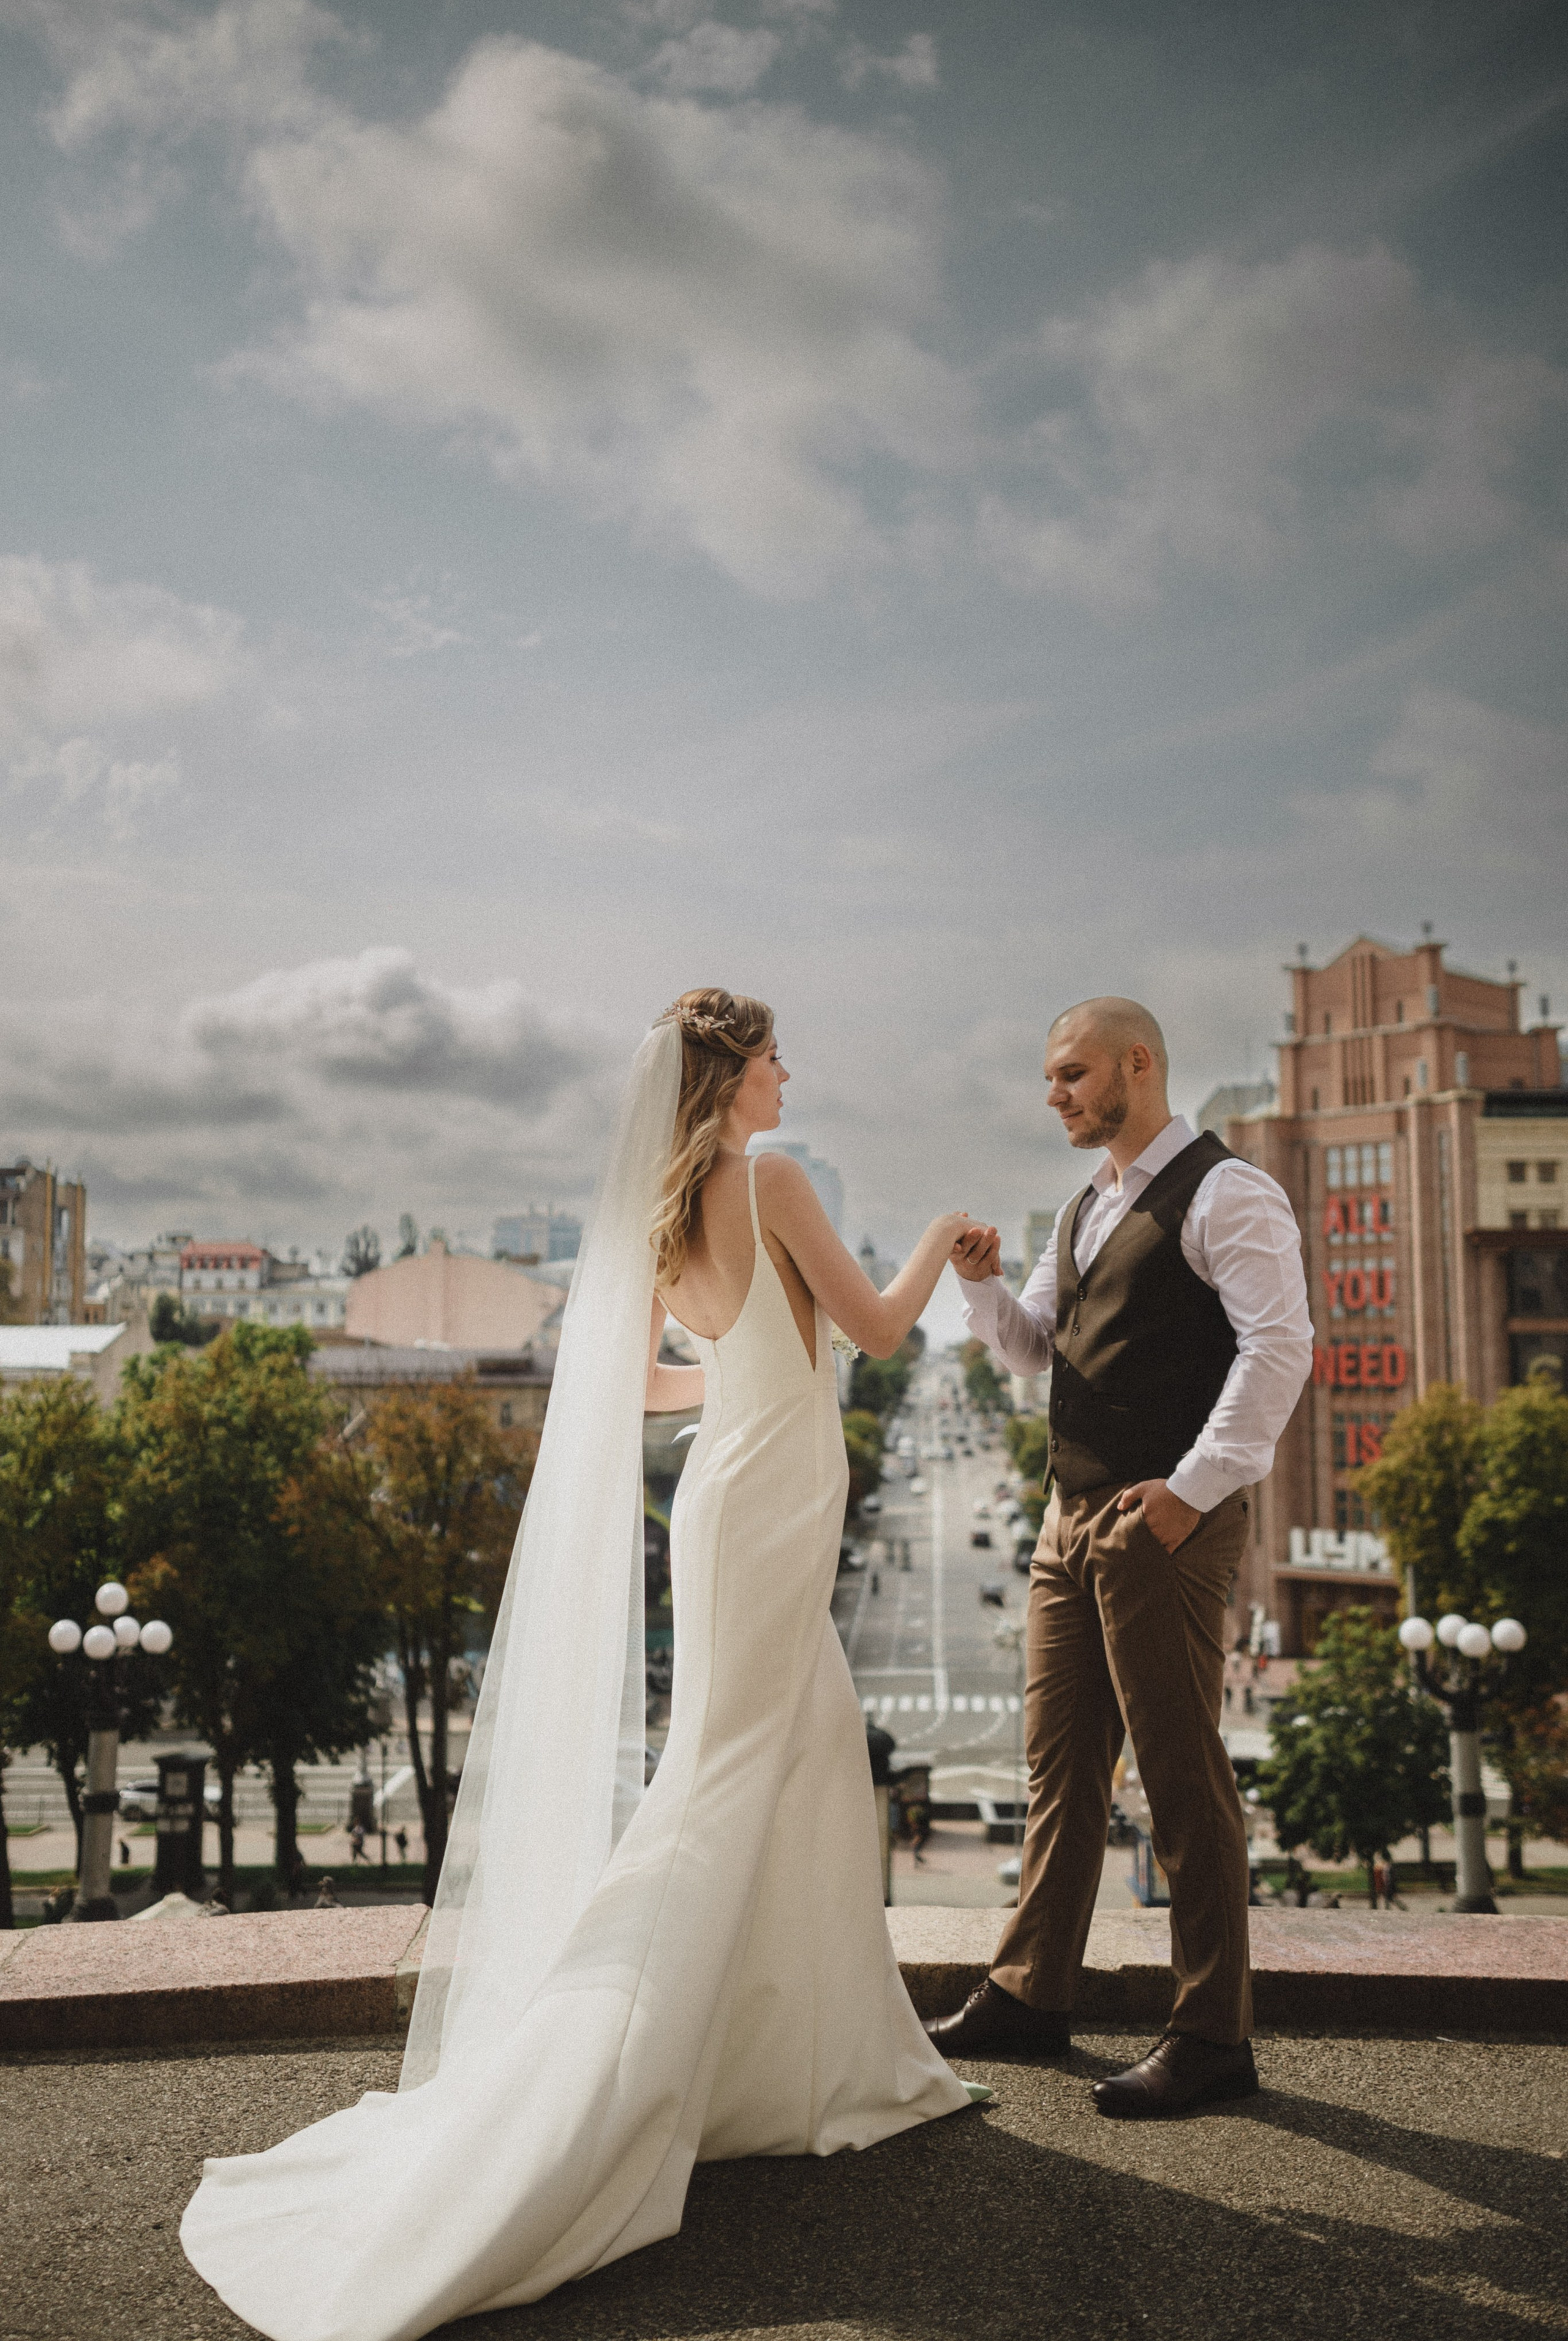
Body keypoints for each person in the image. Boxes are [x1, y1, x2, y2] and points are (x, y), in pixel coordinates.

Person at [182, 989, 989, 2340]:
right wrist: (936, 1243)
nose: (789, 1074)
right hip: (774, 1506)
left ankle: (821, 2068)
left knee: (797, 1777)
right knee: (728, 1790)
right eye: (773, 1057)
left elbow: (651, 1383)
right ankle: (612, 2080)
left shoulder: (667, 1216)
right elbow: (884, 1329)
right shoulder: (771, 1177)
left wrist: (738, 1381)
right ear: (726, 1079)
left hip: (731, 1504)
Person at [925, 997, 1311, 2118]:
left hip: (1160, 1519)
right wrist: (986, 1284)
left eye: (1072, 1075)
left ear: (1138, 1066)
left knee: (1181, 1772)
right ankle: (1031, 1988)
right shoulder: (1084, 1206)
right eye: (1050, 1079)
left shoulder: (1227, 1192)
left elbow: (1279, 1347)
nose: (1055, 1095)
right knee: (1062, 1767)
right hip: (1068, 1516)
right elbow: (1034, 1352)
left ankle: (1211, 2033)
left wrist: (1194, 1494)